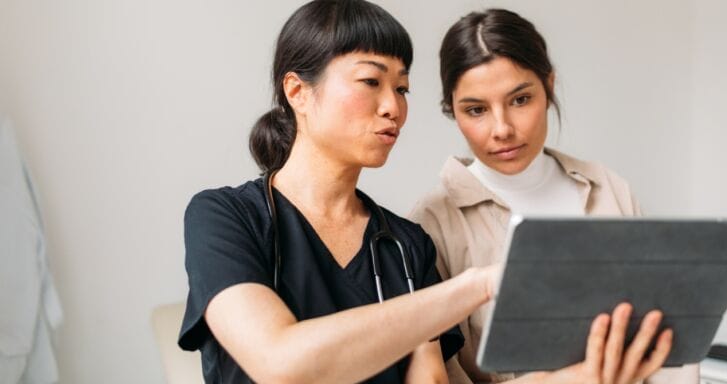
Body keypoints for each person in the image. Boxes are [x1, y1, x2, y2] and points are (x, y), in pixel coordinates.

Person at [178, 1, 674, 383]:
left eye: (403, 88)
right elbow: (279, 363)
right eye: (371, 81)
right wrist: (480, 284)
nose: (392, 106)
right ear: (297, 92)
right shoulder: (226, 217)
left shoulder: (405, 245)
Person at [410, 8, 700, 384]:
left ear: (548, 86)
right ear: (453, 110)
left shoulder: (608, 188)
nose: (502, 129)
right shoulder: (431, 223)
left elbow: (665, 334)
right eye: (476, 109)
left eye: (519, 100)